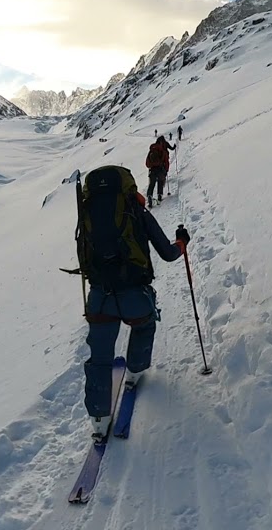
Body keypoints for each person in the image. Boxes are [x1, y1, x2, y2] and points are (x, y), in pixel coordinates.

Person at [74, 165, 191, 439]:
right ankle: (135, 371)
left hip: (100, 298)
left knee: (100, 358)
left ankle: (99, 419)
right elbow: (168, 253)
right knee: (144, 325)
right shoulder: (137, 211)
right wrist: (182, 242)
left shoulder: (87, 214)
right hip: (134, 295)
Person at [144, 134, 175, 202]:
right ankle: (159, 195)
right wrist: (166, 170)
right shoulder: (162, 150)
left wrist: (151, 166)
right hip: (161, 169)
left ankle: (149, 195)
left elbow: (147, 163)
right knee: (160, 182)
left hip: (152, 169)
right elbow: (166, 161)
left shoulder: (151, 151)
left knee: (152, 184)